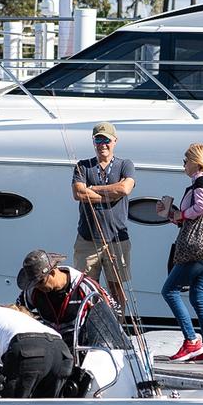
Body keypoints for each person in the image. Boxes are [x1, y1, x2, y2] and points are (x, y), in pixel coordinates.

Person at [162, 143, 203, 364]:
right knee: (198, 296)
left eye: (185, 161)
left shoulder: (201, 179)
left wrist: (181, 214)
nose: (184, 165)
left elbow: (202, 207)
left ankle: (191, 340)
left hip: (197, 250)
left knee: (169, 290)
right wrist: (175, 216)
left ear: (196, 162)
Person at [71, 122, 136, 311]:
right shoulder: (83, 166)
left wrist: (92, 189)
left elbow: (125, 188)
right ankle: (88, 327)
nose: (102, 144)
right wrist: (111, 192)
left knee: (116, 289)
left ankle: (118, 328)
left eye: (106, 139)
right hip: (87, 240)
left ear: (115, 141)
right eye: (98, 139)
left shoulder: (126, 164)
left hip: (117, 240)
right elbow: (78, 194)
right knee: (85, 288)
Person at [15, 248, 117, 347]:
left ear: (53, 272)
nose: (39, 287)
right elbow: (16, 312)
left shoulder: (85, 286)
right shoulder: (32, 291)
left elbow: (111, 315)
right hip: (50, 349)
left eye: (41, 282)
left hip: (81, 349)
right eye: (34, 284)